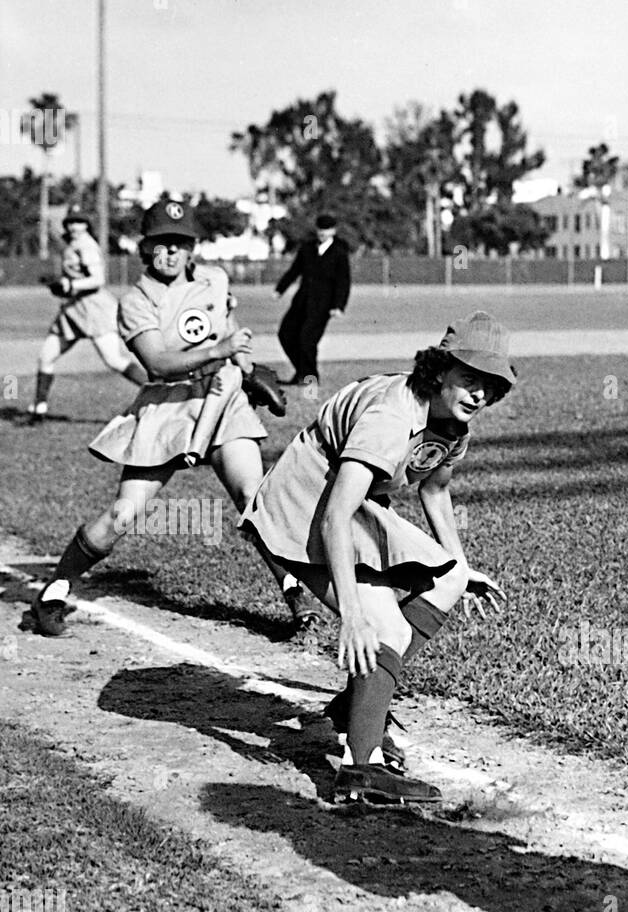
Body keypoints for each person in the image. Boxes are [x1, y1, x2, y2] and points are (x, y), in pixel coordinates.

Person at [240, 312, 513, 806]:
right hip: (303, 503)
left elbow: (435, 487)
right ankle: (360, 768)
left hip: (353, 504)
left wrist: (459, 563)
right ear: (440, 370)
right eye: (470, 379)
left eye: (490, 385)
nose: (479, 394)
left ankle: (355, 707)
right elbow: (335, 516)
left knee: (448, 582)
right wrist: (353, 615)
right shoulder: (392, 416)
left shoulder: (452, 422)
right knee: (384, 628)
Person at [31, 197, 326, 639]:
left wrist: (246, 369)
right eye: (161, 244)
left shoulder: (214, 280)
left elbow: (230, 335)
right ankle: (55, 588)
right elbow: (157, 364)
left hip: (222, 401)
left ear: (193, 248)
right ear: (145, 248)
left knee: (254, 498)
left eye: (180, 243)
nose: (170, 252)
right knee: (124, 514)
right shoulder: (134, 302)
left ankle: (292, 589)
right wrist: (217, 352)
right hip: (167, 406)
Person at [27, 209, 145, 420]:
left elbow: (98, 279)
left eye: (79, 222)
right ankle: (39, 409)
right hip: (73, 308)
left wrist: (70, 284)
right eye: (71, 222)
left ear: (86, 224)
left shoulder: (87, 245)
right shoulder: (73, 245)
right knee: (46, 356)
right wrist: (62, 284)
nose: (74, 226)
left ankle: (157, 391)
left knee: (114, 360)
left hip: (94, 307)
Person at [274, 213, 351, 388]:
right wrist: (280, 289)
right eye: (321, 229)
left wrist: (338, 306)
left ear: (333, 231)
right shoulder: (307, 248)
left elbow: (343, 281)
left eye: (327, 229)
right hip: (301, 301)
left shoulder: (339, 252)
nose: (323, 233)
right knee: (285, 334)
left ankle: (310, 381)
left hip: (323, 306)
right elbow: (294, 271)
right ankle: (301, 372)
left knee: (307, 340)